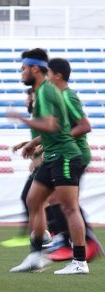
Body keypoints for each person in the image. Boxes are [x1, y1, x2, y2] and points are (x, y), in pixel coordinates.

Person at [8, 48, 88, 275]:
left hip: (65, 155)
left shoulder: (46, 92)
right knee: (33, 200)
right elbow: (56, 127)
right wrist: (33, 143)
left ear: (35, 69)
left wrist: (21, 119)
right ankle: (36, 256)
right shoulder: (43, 91)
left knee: (69, 208)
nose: (21, 72)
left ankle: (79, 261)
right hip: (53, 155)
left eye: (24, 68)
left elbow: (52, 126)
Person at [43, 58, 102, 261]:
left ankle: (82, 243)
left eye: (48, 73)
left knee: (64, 201)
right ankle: (70, 240)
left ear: (57, 75)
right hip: (67, 153)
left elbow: (85, 125)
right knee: (56, 200)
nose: (45, 78)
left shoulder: (68, 96)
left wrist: (62, 139)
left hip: (75, 154)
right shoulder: (59, 97)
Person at [2, 88, 42, 248]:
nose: (27, 101)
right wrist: (25, 144)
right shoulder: (36, 116)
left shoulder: (42, 115)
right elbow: (42, 138)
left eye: (29, 97)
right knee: (33, 199)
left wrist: (40, 157)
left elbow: (52, 135)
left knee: (34, 199)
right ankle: (37, 235)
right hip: (44, 161)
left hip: (48, 161)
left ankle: (40, 236)